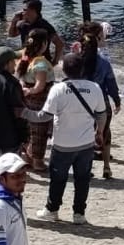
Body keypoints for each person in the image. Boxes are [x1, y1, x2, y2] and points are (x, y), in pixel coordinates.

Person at [38, 54, 104, 224]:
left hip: (62, 144)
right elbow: (101, 114)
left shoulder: (58, 89)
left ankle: (52, 210)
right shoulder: (95, 87)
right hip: (86, 143)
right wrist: (100, 132)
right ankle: (79, 214)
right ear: (82, 69)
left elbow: (45, 115)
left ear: (64, 70)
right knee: (82, 180)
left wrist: (25, 113)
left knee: (58, 179)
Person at [77, 21, 121, 180]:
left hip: (82, 103)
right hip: (101, 102)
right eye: (101, 38)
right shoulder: (104, 62)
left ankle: (86, 167)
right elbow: (111, 84)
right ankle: (107, 167)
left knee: (85, 136)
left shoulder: (77, 60)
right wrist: (117, 100)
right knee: (105, 133)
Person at [17, 29, 55, 173]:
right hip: (40, 102)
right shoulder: (40, 63)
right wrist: (31, 91)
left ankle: (28, 156)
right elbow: (40, 86)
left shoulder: (25, 58)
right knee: (40, 131)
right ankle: (38, 161)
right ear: (44, 44)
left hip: (27, 101)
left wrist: (25, 91)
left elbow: (20, 79)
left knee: (28, 130)